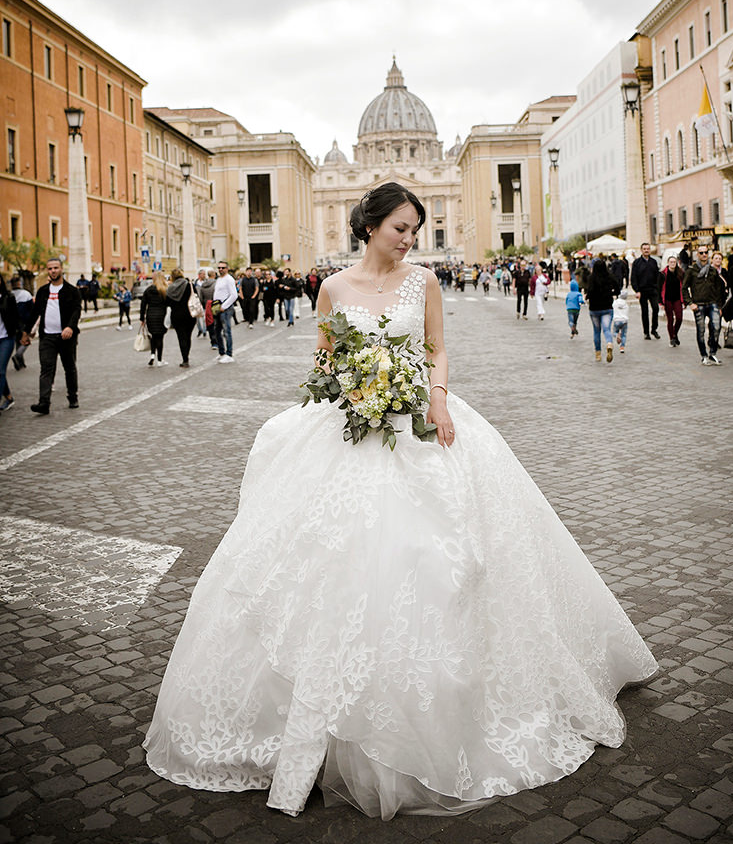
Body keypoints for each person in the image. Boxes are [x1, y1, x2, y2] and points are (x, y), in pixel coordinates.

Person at [144, 182, 657, 819]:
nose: (410, 239)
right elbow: (324, 360)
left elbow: (437, 348)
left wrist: (436, 398)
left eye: (416, 229)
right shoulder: (332, 288)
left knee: (443, 560)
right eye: (400, 229)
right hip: (353, 428)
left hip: (418, 422)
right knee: (332, 568)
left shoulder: (425, 284)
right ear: (370, 226)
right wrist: (349, 387)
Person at [24, 257, 82, 413]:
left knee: (69, 368)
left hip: (66, 337)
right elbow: (35, 312)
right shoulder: (43, 291)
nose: (53, 271)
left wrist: (70, 327)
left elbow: (77, 310)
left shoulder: (72, 291)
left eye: (55, 268)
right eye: (50, 269)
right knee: (46, 369)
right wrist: (26, 332)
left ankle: (72, 396)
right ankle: (44, 403)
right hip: (47, 337)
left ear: (61, 269)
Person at [683, 245, 727, 365]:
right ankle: (704, 355)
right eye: (701, 253)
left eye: (706, 252)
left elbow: (719, 289)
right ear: (697, 254)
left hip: (713, 304)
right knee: (701, 331)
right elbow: (684, 288)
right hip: (699, 304)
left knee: (716, 328)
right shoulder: (692, 270)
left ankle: (713, 353)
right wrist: (690, 303)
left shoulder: (713, 270)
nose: (703, 255)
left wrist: (720, 305)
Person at [586, 257, 619, 362]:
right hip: (607, 307)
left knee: (596, 331)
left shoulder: (591, 278)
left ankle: (598, 354)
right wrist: (612, 293)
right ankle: (609, 343)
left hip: (594, 308)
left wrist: (587, 297)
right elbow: (618, 288)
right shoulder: (610, 277)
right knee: (606, 329)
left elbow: (589, 292)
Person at [630, 243, 660, 340]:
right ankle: (646, 332)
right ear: (641, 250)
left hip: (653, 289)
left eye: (648, 249)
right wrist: (637, 290)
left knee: (656, 308)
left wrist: (657, 288)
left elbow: (657, 276)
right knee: (645, 311)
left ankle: (654, 329)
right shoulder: (637, 263)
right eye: (644, 249)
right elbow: (633, 277)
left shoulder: (653, 262)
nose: (646, 250)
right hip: (642, 291)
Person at [140, 271, 170, 367]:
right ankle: (160, 360)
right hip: (161, 315)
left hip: (151, 315)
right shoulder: (165, 290)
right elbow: (169, 303)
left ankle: (152, 355)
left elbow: (143, 304)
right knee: (160, 338)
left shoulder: (148, 290)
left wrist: (142, 318)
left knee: (153, 336)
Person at [166, 268, 194, 368]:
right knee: (188, 336)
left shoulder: (170, 288)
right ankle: (187, 355)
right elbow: (196, 296)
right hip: (190, 314)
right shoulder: (189, 284)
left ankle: (185, 359)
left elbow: (167, 303)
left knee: (181, 337)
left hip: (177, 316)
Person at [0, 275, 20, 411]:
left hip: (6, 338)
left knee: (0, 371)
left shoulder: (8, 297)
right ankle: (8, 397)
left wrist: (23, 333)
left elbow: (15, 318)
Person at [213, 261, 238, 362]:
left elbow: (234, 295)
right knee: (217, 330)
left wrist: (224, 306)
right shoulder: (219, 279)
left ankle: (229, 353)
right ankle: (222, 352)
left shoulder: (229, 279)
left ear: (227, 269)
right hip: (217, 308)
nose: (220, 269)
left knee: (226, 331)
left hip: (225, 308)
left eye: (223, 268)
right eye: (219, 268)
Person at [10, 276, 34, 370]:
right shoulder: (26, 294)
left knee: (18, 341)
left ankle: (21, 362)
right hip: (24, 322)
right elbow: (32, 309)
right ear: (20, 283)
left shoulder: (9, 294)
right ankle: (17, 355)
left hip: (13, 323)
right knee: (25, 341)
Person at [659, 256, 684, 347]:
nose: (673, 263)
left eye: (674, 262)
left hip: (677, 299)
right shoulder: (663, 274)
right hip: (667, 299)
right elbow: (659, 288)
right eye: (671, 262)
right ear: (668, 263)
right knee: (670, 319)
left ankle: (674, 333)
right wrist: (661, 302)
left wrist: (684, 301)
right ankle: (672, 339)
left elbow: (683, 287)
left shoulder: (681, 273)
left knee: (679, 318)